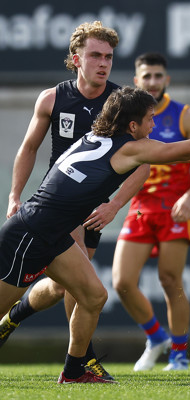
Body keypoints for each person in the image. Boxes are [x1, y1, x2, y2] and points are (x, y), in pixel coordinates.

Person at [0, 86, 190, 383]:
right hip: (30, 235)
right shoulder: (127, 148)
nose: (155, 126)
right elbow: (189, 146)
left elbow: (173, 152)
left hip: (53, 233)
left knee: (94, 296)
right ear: (132, 126)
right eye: (151, 119)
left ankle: (74, 371)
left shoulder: (97, 138)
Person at [0, 21, 149, 380]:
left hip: (93, 209)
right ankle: (81, 362)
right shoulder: (54, 97)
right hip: (58, 208)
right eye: (95, 55)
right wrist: (14, 195)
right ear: (75, 59)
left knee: (61, 288)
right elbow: (29, 147)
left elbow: (144, 163)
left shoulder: (120, 105)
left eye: (109, 57)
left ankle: (14, 321)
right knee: (84, 290)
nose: (103, 63)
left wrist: (114, 205)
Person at [112, 52, 190, 372]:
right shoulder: (126, 117)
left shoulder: (185, 115)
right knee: (122, 282)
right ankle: (156, 337)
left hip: (175, 209)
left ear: (167, 80)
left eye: (158, 76)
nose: (152, 81)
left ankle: (179, 354)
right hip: (140, 207)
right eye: (146, 76)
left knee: (169, 279)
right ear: (136, 80)